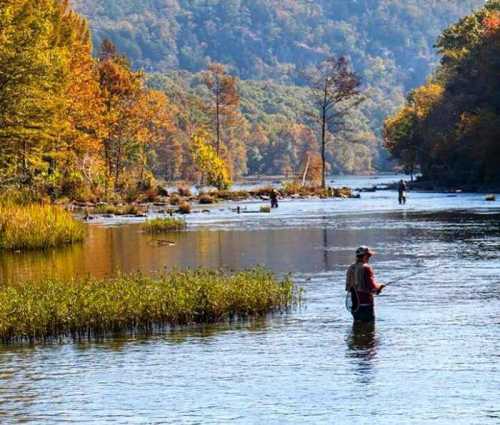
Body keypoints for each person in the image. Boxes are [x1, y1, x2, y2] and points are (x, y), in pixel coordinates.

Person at [345, 246, 385, 322]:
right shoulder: (366, 268)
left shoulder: (351, 268)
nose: (369, 258)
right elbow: (372, 287)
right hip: (366, 304)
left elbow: (348, 288)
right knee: (369, 330)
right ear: (365, 256)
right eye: (369, 256)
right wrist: (380, 286)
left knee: (357, 326)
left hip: (354, 306)